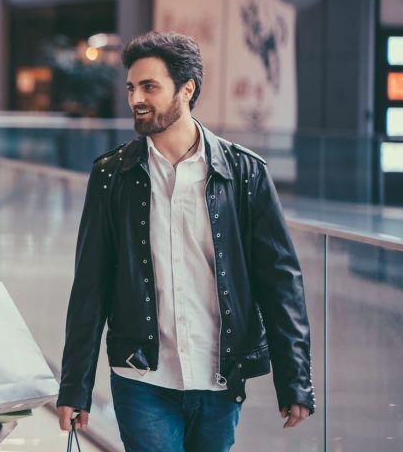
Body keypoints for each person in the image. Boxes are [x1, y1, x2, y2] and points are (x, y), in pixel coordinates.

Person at [58, 32, 314, 451]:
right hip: (141, 378)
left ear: (187, 89)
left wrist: (296, 379)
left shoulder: (244, 173)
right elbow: (90, 286)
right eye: (131, 87)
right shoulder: (112, 176)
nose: (135, 98)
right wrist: (75, 386)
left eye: (149, 87)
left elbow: (280, 281)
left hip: (219, 377)